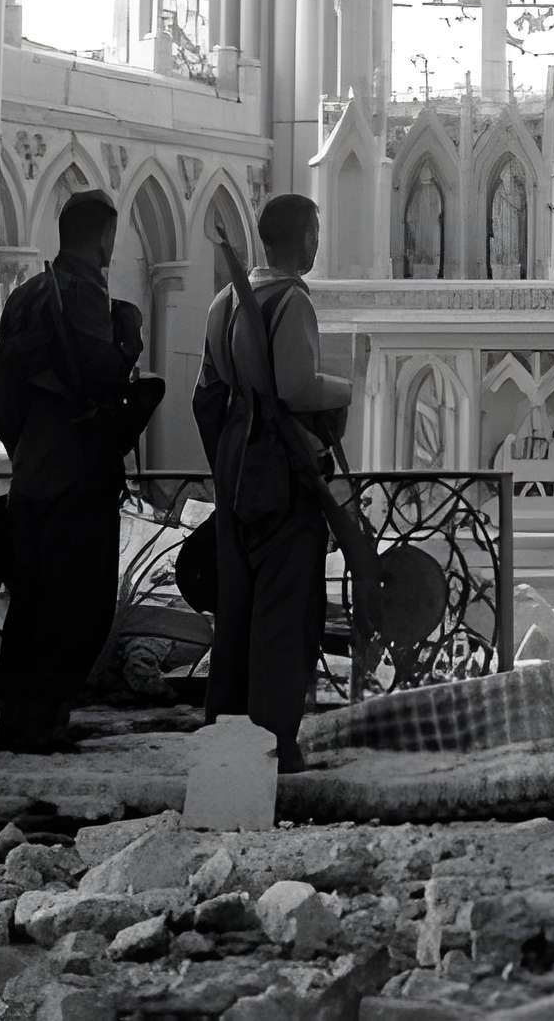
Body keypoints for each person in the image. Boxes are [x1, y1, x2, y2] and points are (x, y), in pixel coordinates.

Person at [0, 188, 162, 752]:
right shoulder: (85, 296)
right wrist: (129, 340)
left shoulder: (26, 294)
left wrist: (24, 448)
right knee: (79, 603)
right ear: (105, 236)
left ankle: (21, 720)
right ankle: (44, 722)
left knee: (34, 598)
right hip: (79, 472)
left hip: (34, 469)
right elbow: (101, 379)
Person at [193, 192, 352, 765]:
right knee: (284, 611)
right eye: (316, 232)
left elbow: (204, 396)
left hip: (236, 465)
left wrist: (226, 462)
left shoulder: (223, 302)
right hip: (281, 468)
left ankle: (226, 743)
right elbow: (296, 388)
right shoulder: (290, 300)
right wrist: (347, 388)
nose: (317, 242)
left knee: (236, 612)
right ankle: (273, 747)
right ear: (304, 237)